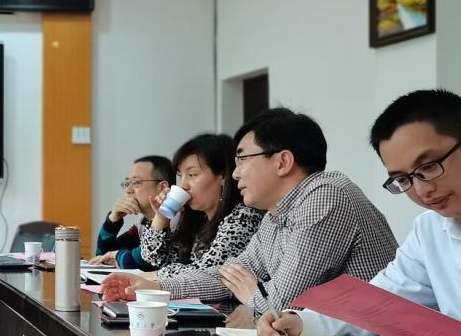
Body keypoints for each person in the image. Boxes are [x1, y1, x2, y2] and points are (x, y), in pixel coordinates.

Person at [103, 108, 397, 313]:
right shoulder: (276, 215)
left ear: (282, 162)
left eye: (243, 160)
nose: (235, 174)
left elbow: (280, 304)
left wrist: (252, 293)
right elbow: (225, 276)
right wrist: (152, 285)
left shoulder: (326, 196)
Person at [257, 90, 461, 336]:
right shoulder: (429, 230)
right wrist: (300, 323)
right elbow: (380, 306)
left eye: (427, 167)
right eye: (403, 180)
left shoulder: (327, 196)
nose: (422, 190)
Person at [138, 134, 263, 280]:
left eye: (192, 174)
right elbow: (154, 258)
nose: (183, 185)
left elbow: (207, 272)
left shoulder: (244, 217)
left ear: (223, 176)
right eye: (180, 175)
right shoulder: (199, 219)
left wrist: (156, 275)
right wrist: (161, 218)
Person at [87, 155, 174, 269]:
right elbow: (103, 256)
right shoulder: (142, 224)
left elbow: (141, 261)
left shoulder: (175, 221)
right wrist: (113, 220)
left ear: (162, 187)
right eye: (128, 183)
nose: (128, 190)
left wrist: (116, 255)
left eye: (136, 182)